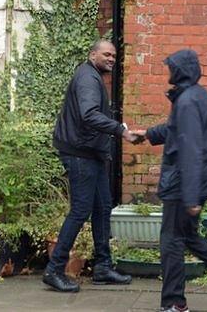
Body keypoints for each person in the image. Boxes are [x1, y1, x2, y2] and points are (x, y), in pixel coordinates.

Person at [137, 49, 207, 312]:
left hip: (182, 184)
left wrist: (191, 196)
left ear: (180, 70)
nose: (167, 71)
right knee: (189, 238)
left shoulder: (187, 101)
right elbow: (174, 130)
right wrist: (147, 134)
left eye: (171, 67)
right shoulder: (194, 96)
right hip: (187, 182)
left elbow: (192, 148)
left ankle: (173, 303)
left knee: (171, 242)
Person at [42, 39, 141, 293]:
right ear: (92, 54)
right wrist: (121, 130)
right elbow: (89, 114)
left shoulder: (92, 76)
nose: (111, 58)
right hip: (80, 154)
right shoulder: (87, 78)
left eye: (114, 56)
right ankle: (54, 270)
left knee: (102, 207)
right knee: (81, 210)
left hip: (91, 153)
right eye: (106, 54)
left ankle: (103, 267)